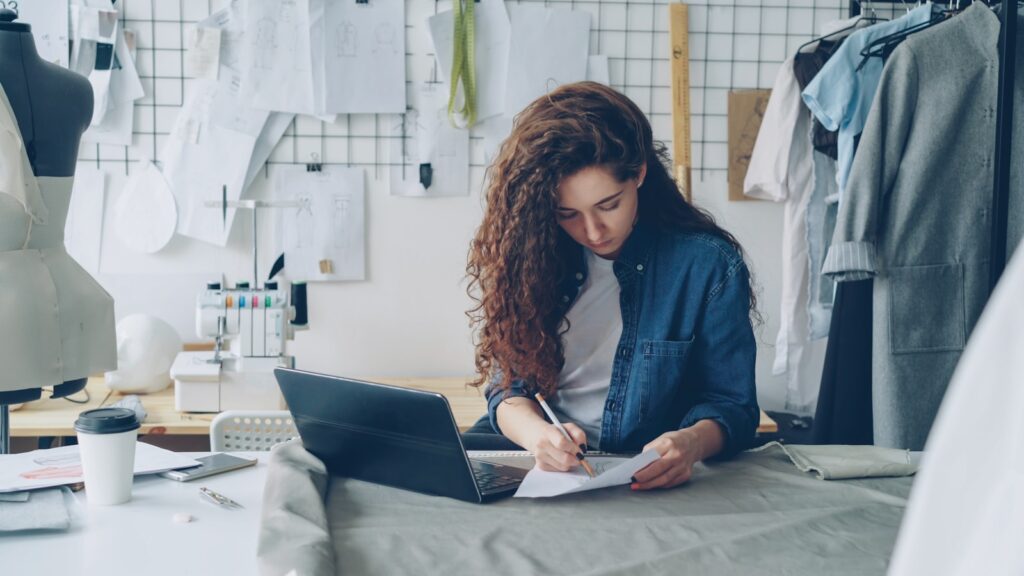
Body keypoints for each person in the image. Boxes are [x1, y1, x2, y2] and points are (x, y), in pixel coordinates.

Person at [464, 82, 760, 490]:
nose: (593, 231)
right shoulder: (531, 253)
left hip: (638, 469)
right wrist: (538, 437)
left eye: (609, 205)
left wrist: (690, 443)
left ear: (638, 174)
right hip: (532, 459)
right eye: (567, 213)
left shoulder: (706, 265)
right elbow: (507, 388)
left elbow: (734, 407)